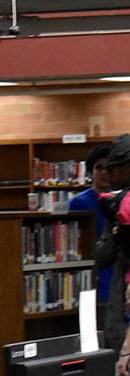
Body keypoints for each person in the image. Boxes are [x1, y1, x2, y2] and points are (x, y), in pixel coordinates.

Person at [69, 143, 112, 339]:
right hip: (92, 283)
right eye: (99, 167)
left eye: (108, 167)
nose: (104, 172)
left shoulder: (123, 200)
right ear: (90, 171)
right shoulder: (80, 203)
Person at [99, 135, 130, 360]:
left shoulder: (122, 205)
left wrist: (114, 224)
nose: (107, 175)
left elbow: (103, 256)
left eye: (112, 169)